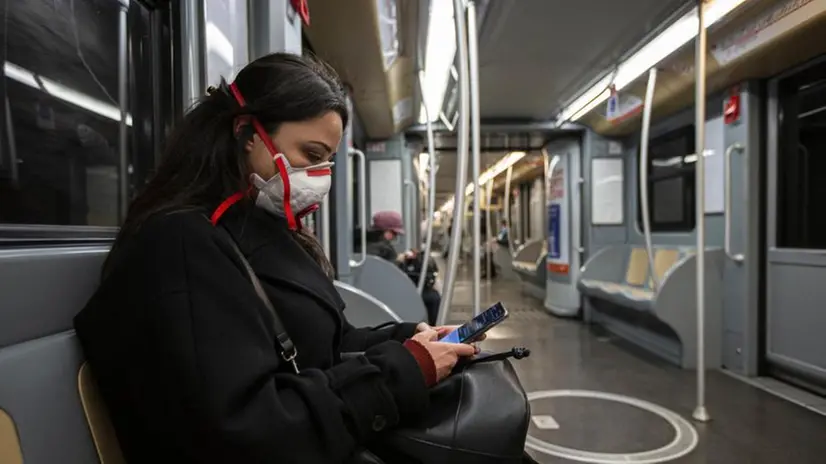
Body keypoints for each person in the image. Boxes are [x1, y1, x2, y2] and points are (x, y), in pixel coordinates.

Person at [73, 53, 476, 464]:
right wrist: (401, 373)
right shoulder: (180, 247)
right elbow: (245, 430)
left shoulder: (258, 229)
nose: (321, 176)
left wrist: (408, 340)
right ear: (247, 132)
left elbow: (324, 345)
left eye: (328, 161)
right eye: (311, 154)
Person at [357, 211, 442, 325]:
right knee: (433, 298)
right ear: (386, 230)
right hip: (385, 290)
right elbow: (384, 271)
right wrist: (398, 260)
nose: (395, 237)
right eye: (394, 233)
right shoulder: (379, 247)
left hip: (385, 286)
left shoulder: (372, 243)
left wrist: (399, 259)